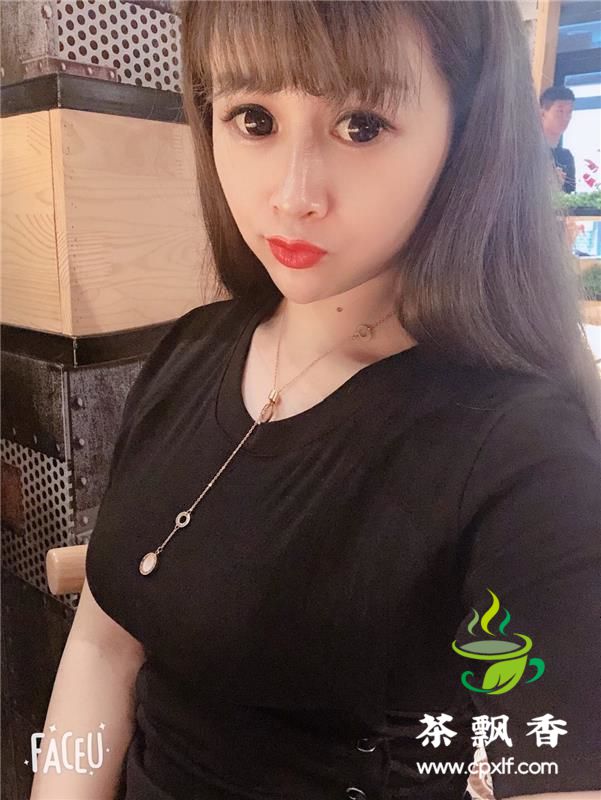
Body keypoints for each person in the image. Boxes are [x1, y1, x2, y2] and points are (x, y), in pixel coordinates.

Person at [31, 3, 601, 800]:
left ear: (465, 137)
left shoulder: (521, 450)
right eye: (253, 118)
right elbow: (105, 642)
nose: (292, 195)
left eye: (361, 125)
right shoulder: (194, 348)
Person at [540, 85, 577, 193]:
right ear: (543, 113)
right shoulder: (526, 151)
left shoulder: (566, 157)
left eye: (569, 112)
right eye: (560, 111)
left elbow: (570, 196)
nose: (565, 117)